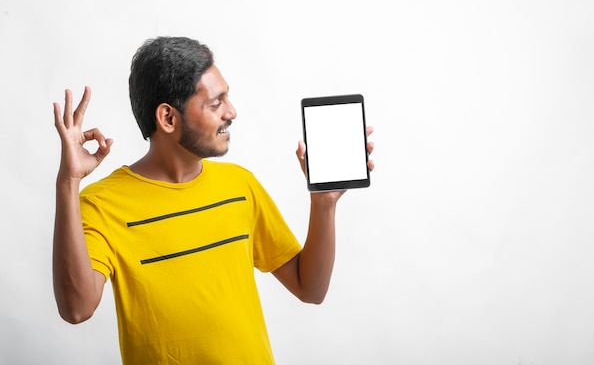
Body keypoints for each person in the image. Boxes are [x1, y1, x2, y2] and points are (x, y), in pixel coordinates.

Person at [52, 36, 374, 365]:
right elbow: (76, 309)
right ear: (168, 118)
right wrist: (68, 183)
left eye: (227, 99)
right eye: (215, 103)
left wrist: (324, 203)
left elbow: (311, 289)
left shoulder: (239, 185)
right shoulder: (102, 204)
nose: (231, 112)